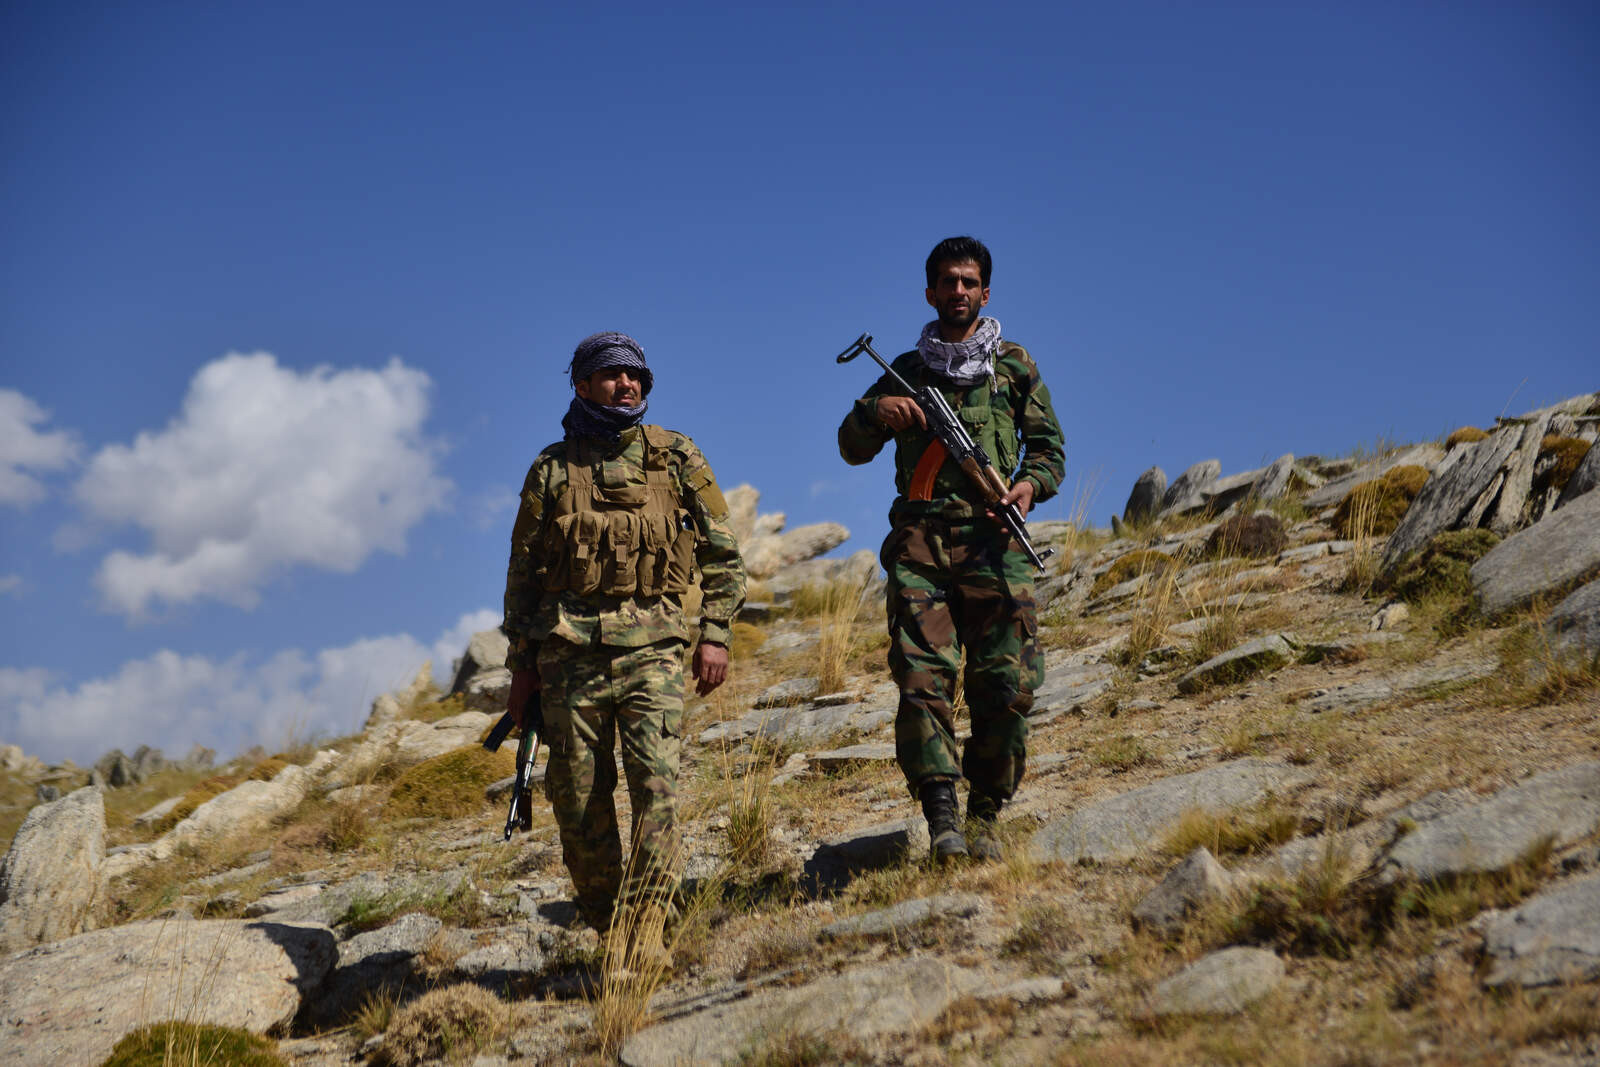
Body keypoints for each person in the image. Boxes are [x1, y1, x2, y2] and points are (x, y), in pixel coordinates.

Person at [502, 331, 745, 967]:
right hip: (568, 657)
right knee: (578, 801)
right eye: (610, 375)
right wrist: (520, 669)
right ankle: (612, 931)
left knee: (656, 789)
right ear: (582, 385)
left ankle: (648, 931)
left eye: (636, 375)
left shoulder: (676, 457)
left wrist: (714, 631)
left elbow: (724, 555)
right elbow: (522, 577)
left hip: (655, 651)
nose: (626, 384)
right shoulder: (552, 469)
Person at [837, 236, 1065, 863]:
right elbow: (850, 447)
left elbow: (1049, 451)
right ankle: (942, 817)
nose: (958, 292)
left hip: (997, 545)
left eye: (969, 282)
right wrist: (876, 413)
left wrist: (1027, 487)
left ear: (985, 292)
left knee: (1006, 683)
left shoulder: (1014, 365)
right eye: (947, 282)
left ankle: (986, 815)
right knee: (923, 682)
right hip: (921, 547)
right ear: (930, 292)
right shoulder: (905, 371)